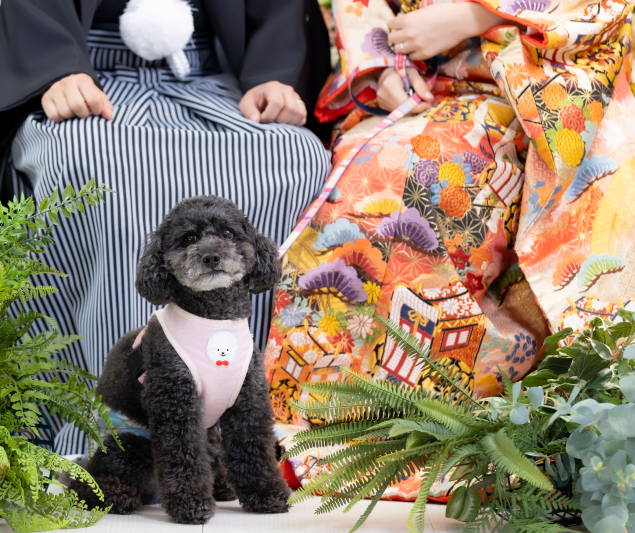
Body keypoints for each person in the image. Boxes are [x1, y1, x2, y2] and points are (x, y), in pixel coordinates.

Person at [0, 0, 333, 454]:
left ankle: (249, 426)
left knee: (294, 159)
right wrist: (53, 68)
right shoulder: (68, 75)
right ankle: (119, 436)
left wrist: (271, 75)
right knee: (100, 168)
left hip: (211, 78)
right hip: (84, 80)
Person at [267, 0, 635, 426]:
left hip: (530, 85)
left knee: (428, 183)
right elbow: (362, 11)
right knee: (359, 183)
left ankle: (423, 426)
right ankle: (302, 416)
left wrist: (474, 16)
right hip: (419, 86)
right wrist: (382, 66)